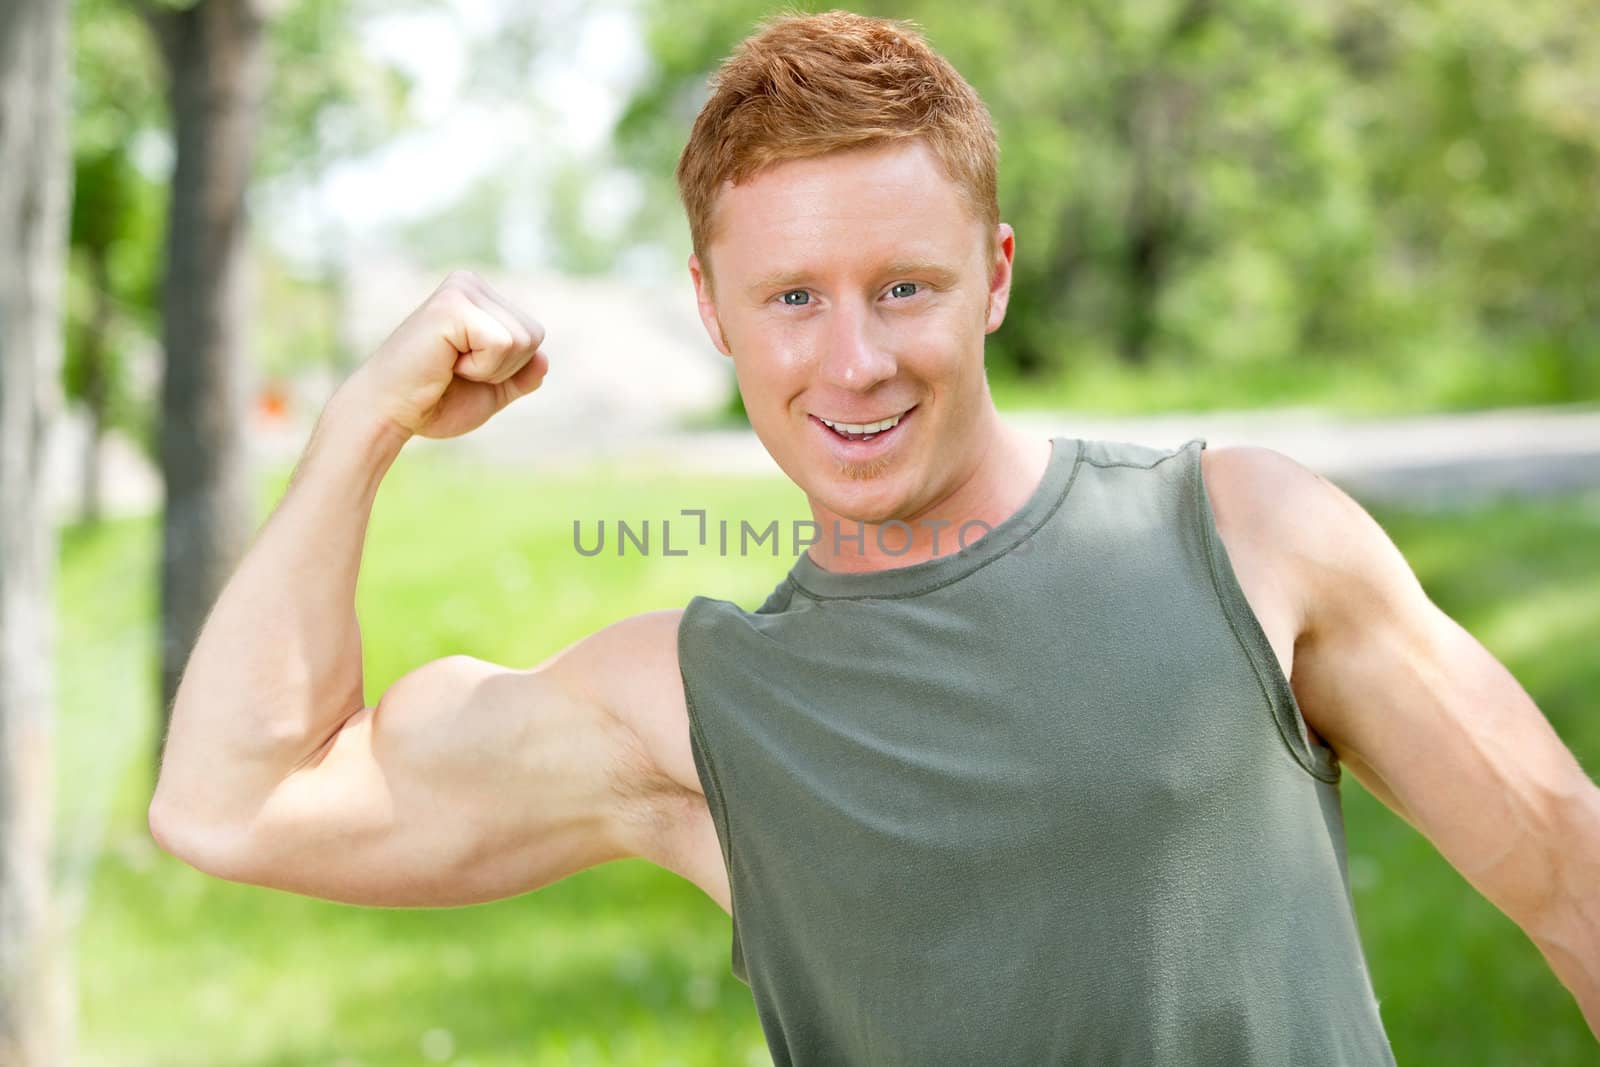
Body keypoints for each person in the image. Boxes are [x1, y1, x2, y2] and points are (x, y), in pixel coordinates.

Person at [148, 9, 1599, 1064]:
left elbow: (1567, 868)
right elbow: (233, 801)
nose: (852, 363)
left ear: (995, 278)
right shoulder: (689, 712)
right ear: (713, 312)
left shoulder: (1251, 541)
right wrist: (360, 430)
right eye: (791, 300)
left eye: (903, 287)